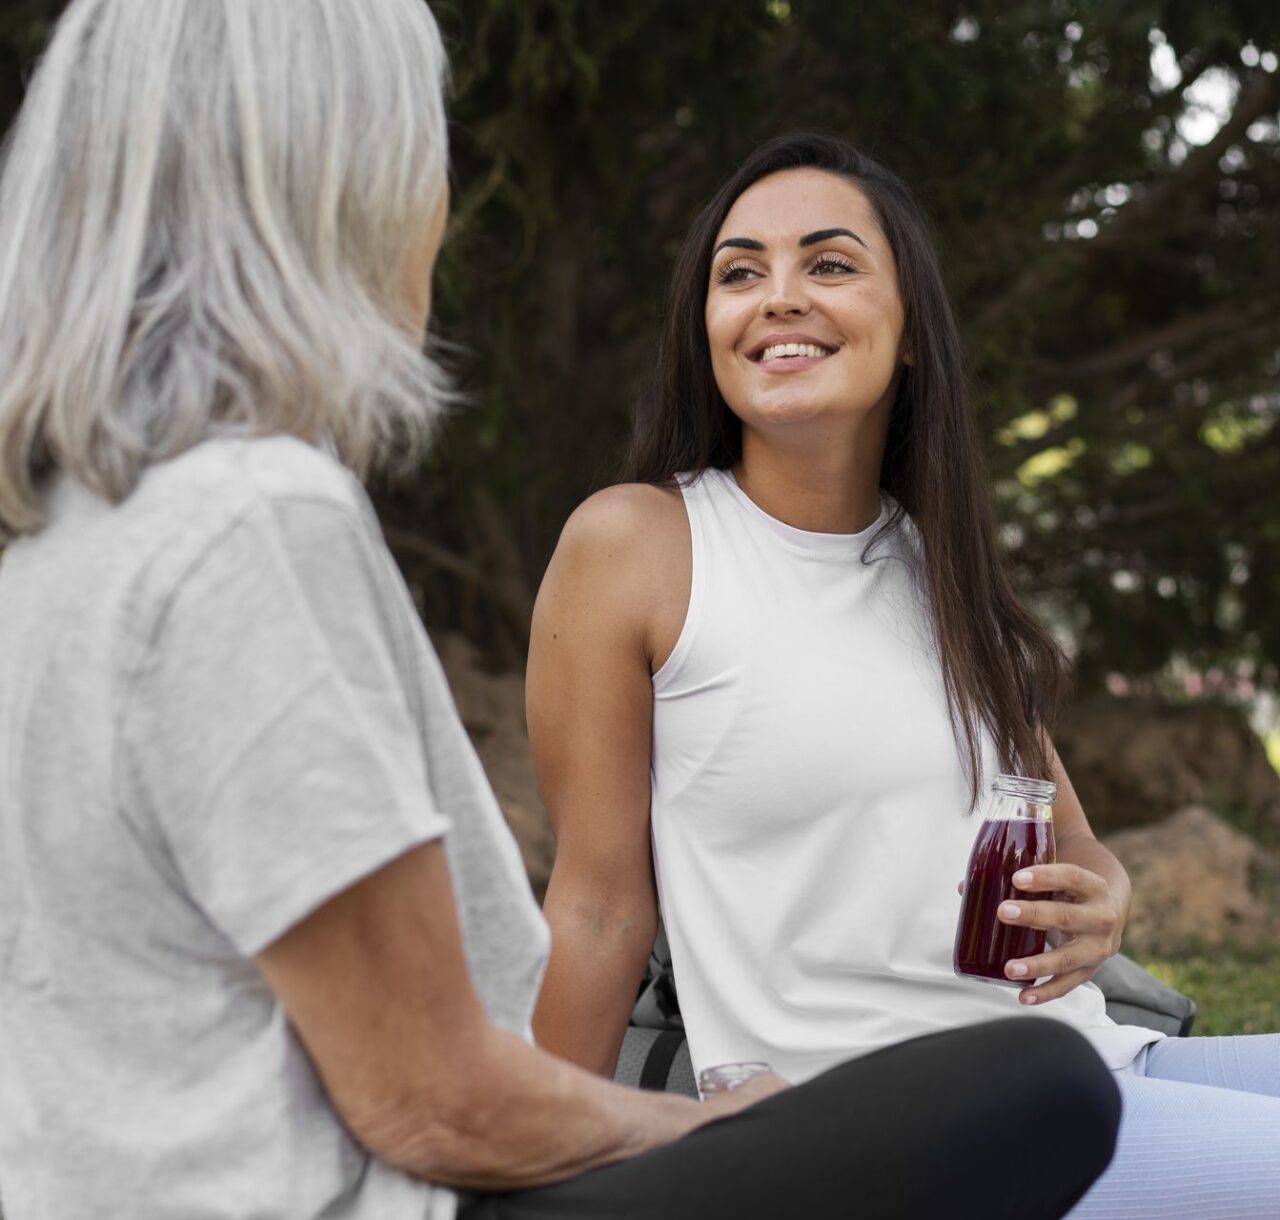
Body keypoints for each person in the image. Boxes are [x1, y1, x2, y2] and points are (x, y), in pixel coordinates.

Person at [0, 5, 1122, 1220]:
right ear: (342, 186)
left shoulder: (69, 538)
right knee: (1041, 1086)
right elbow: (433, 1099)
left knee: (1046, 1074)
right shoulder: (255, 523)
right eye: (422, 151)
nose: (436, 205)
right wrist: (704, 1128)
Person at [528, 131, 1280, 1219]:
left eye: (828, 263)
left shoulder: (939, 566)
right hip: (899, 1129)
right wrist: (528, 1175)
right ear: (706, 329)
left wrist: (1104, 896)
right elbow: (599, 906)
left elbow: (1068, 837)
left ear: (913, 330)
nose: (779, 296)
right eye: (740, 273)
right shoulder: (636, 545)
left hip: (1078, 1059)